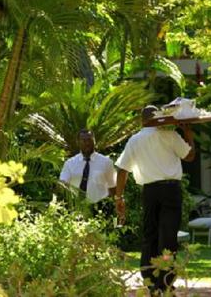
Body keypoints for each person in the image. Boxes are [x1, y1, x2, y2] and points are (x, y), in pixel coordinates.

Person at [114, 105, 195, 295]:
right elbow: (190, 156)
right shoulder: (170, 135)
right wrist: (188, 133)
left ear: (142, 121)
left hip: (149, 191)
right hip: (170, 190)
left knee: (150, 235)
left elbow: (122, 170)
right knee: (168, 236)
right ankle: (164, 282)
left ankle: (150, 280)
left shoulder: (135, 140)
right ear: (158, 117)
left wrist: (119, 196)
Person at [60, 129, 116, 216]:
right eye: (84, 140)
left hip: (100, 210)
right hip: (76, 208)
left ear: (94, 141)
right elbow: (63, 184)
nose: (87, 143)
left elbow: (113, 187)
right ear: (78, 142)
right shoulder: (70, 163)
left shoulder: (106, 162)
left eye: (89, 140)